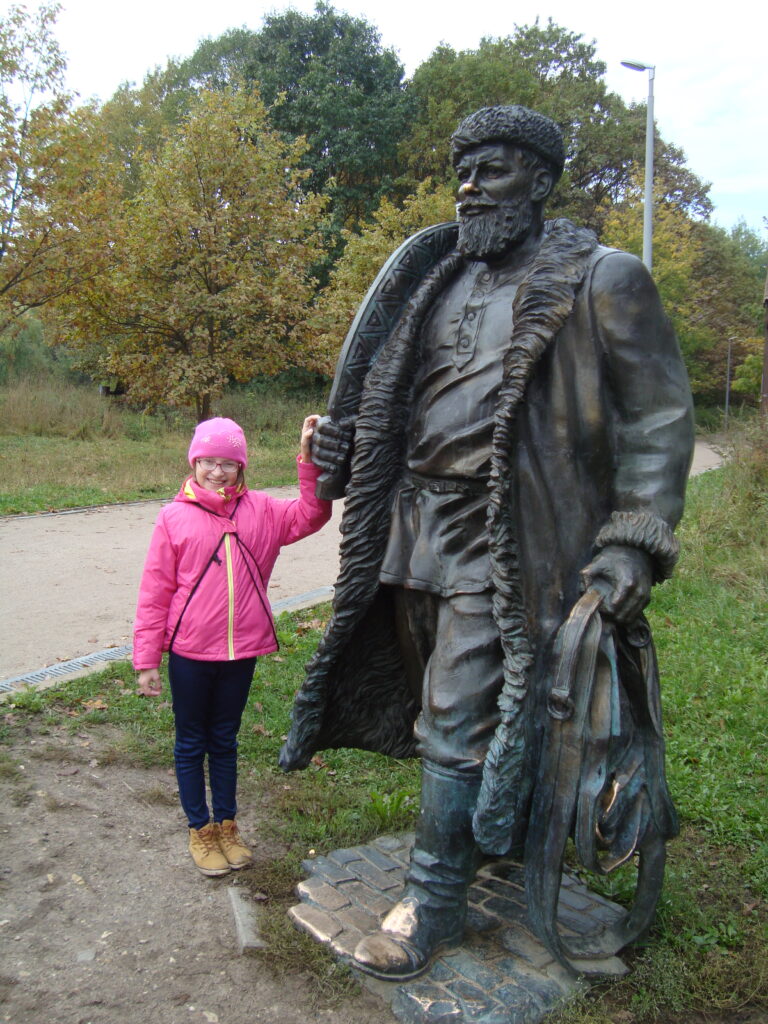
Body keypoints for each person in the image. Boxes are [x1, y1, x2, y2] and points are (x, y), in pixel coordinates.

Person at [279, 105, 695, 977]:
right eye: (463, 169)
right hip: (412, 525)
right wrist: (343, 449)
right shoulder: (438, 277)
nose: (471, 185)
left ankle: (431, 901)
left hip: (510, 534)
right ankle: (487, 837)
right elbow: (398, 400)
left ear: (541, 182)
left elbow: (658, 420)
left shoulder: (602, 280)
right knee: (443, 698)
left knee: (459, 717)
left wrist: (632, 543)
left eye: (494, 168)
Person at [134, 415, 332, 877]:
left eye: (228, 463)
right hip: (188, 654)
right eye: (208, 462)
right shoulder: (173, 517)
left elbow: (313, 513)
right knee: (190, 742)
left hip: (240, 653)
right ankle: (199, 829)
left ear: (241, 467)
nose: (217, 472)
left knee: (223, 739)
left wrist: (309, 457)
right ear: (194, 461)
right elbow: (155, 590)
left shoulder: (263, 512)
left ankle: (226, 824)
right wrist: (146, 660)